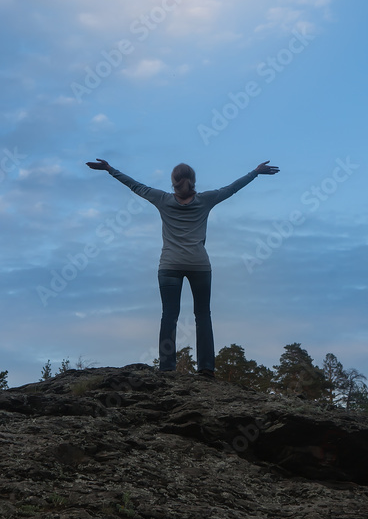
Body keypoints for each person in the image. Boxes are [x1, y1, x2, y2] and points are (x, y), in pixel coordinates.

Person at [86, 157, 280, 376]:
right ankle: (206, 369)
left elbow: (135, 186)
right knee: (203, 315)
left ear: (173, 181)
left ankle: (167, 368)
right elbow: (232, 188)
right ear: (194, 180)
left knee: (169, 315)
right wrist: (255, 172)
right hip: (199, 265)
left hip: (169, 265)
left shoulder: (161, 199)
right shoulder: (206, 199)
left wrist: (110, 169)